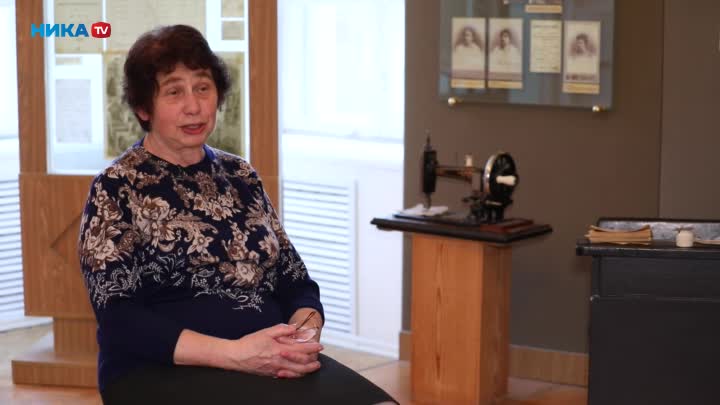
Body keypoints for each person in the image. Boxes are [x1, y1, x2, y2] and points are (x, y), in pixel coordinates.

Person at [78, 24, 397, 405]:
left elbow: (296, 281)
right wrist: (237, 354)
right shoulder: (116, 186)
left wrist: (301, 338)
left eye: (203, 87)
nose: (194, 106)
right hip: (160, 369)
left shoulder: (241, 175)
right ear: (144, 107)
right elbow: (119, 318)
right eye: (174, 92)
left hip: (270, 356)